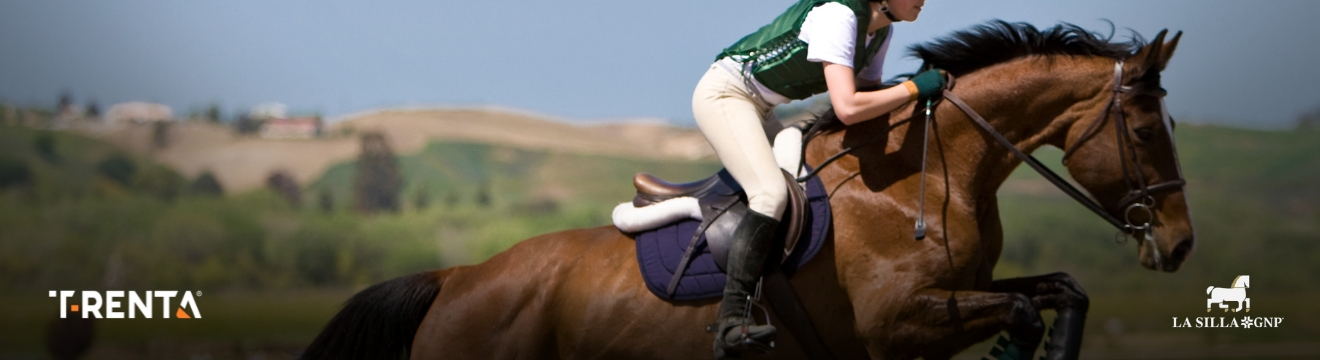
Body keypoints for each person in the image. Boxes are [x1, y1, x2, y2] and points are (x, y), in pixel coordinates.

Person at [693, 0, 945, 357]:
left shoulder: (880, 31)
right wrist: (913, 89)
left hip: (762, 108)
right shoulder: (838, 16)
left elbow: (870, 99)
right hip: (725, 95)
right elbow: (848, 107)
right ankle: (731, 321)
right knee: (770, 195)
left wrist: (915, 94)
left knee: (803, 187)